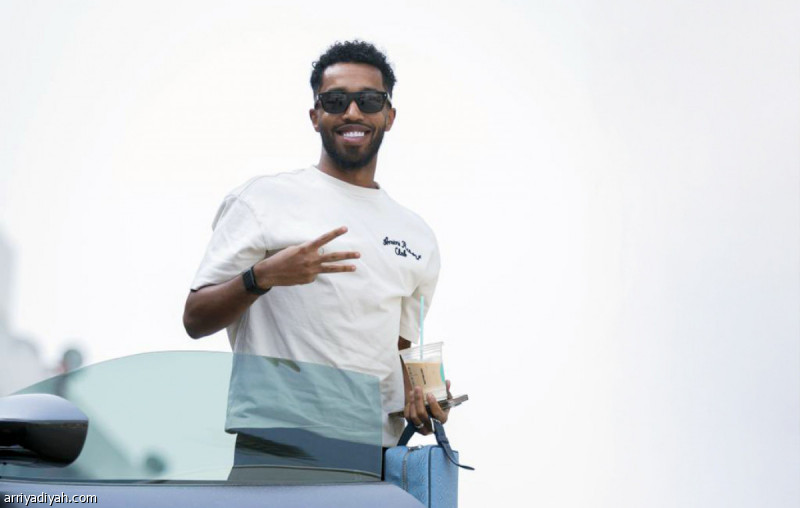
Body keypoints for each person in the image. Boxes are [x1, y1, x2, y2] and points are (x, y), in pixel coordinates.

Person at [183, 41, 451, 452]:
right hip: (277, 444)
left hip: (373, 453)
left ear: (389, 115)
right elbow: (195, 319)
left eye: (369, 100)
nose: (353, 112)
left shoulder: (417, 234)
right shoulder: (263, 200)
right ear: (315, 115)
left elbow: (403, 349)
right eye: (336, 101)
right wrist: (263, 276)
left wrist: (430, 399)